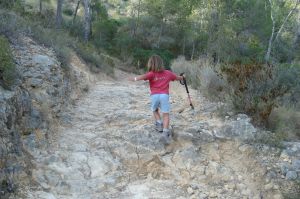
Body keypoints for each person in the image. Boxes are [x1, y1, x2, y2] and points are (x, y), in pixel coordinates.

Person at [129, 55, 184, 143]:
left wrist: (134, 79)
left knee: (154, 110)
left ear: (151, 64)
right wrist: (182, 77)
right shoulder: (168, 73)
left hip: (154, 96)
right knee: (165, 114)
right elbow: (177, 78)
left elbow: (142, 77)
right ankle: (165, 132)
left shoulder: (151, 74)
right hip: (164, 96)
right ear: (161, 63)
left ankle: (159, 124)